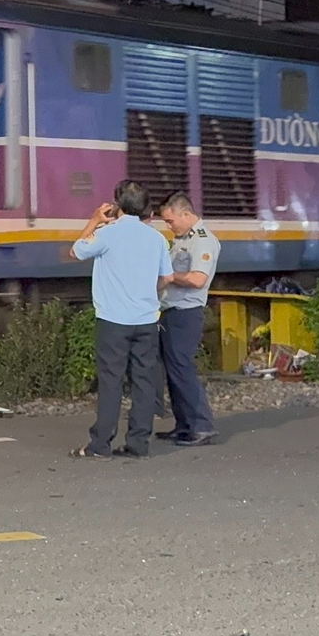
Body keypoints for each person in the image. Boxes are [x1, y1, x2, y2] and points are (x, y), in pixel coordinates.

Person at [69, 180, 171, 459]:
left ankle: (100, 444)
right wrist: (148, 294)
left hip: (113, 321)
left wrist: (93, 220)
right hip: (147, 320)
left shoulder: (107, 234)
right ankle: (139, 444)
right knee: (143, 381)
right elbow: (167, 278)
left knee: (111, 381)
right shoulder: (157, 238)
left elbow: (75, 252)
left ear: (117, 205)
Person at [154, 193, 217, 448]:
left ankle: (201, 425)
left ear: (185, 214)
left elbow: (198, 279)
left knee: (182, 368)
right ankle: (184, 426)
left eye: (170, 221)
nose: (168, 226)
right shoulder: (182, 240)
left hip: (186, 313)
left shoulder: (203, 241)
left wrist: (169, 277)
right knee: (173, 370)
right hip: (171, 311)